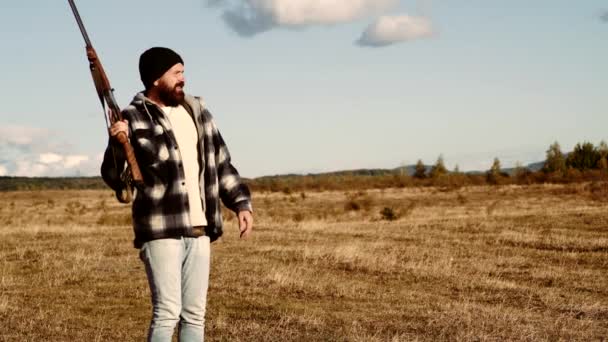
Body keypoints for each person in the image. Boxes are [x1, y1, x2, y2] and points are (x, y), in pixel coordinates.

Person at [100, 47, 253, 342]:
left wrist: (241, 203)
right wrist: (118, 143)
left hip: (201, 227)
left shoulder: (197, 111)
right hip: (160, 229)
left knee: (195, 315)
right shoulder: (132, 117)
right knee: (167, 312)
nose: (183, 78)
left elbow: (221, 162)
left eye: (183, 72)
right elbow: (115, 178)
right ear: (157, 78)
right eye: (176, 73)